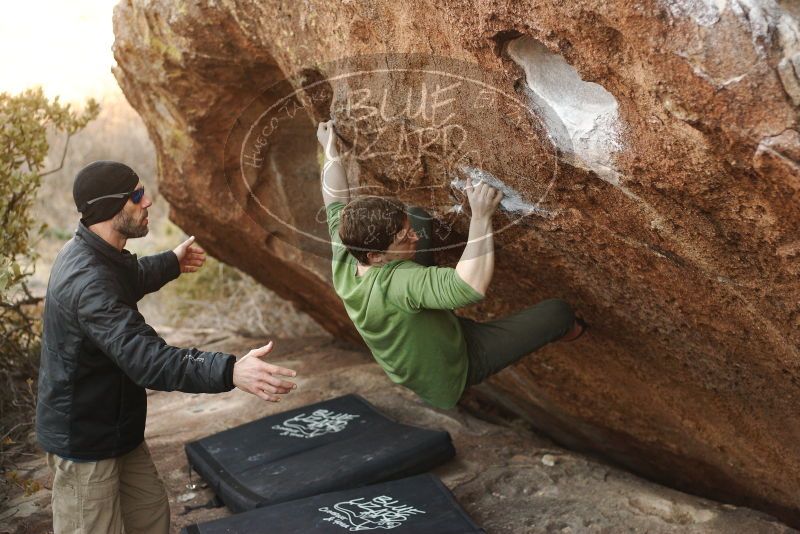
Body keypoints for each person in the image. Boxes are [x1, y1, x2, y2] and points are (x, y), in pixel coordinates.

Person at [36, 160, 298, 534]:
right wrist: (231, 371)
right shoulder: (87, 280)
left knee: (152, 519)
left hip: (117, 431)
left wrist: (171, 263)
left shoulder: (95, 252)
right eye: (137, 196)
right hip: (85, 445)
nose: (148, 203)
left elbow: (127, 277)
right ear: (112, 207)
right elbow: (148, 360)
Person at [317, 120, 585, 409]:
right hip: (453, 367)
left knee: (419, 215)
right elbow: (468, 287)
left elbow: (335, 200)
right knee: (558, 313)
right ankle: (573, 331)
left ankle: (432, 315)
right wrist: (481, 217)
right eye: (402, 238)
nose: (414, 236)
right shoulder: (397, 282)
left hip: (416, 347)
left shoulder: (349, 248)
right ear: (376, 256)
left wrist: (330, 149)